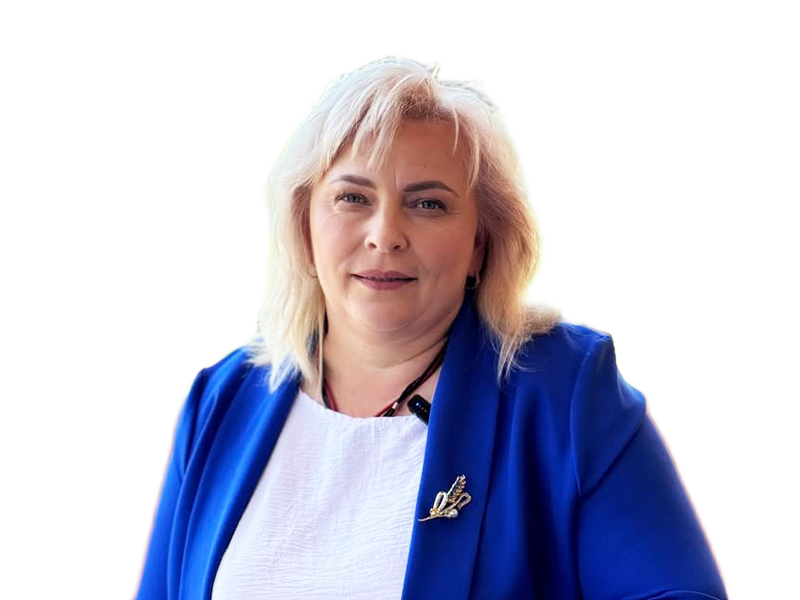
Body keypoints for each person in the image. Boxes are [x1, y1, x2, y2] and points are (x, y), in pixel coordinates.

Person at [130, 56, 731, 600]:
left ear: (480, 244)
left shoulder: (566, 390)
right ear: (303, 226)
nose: (385, 235)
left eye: (428, 204)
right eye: (352, 198)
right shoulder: (223, 398)